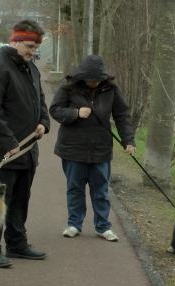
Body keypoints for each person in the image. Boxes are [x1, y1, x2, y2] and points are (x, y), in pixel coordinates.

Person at [0, 19, 50, 268]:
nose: (32, 52)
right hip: (3, 152)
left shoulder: (31, 68)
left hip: (28, 151)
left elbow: (40, 99)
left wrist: (44, 122)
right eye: (29, 46)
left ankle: (17, 243)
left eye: (35, 48)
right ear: (15, 40)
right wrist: (8, 142)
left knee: (21, 200)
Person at [49, 55, 136, 242]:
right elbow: (55, 110)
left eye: (97, 80)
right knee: (75, 188)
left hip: (101, 148)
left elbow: (122, 115)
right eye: (90, 80)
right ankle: (74, 224)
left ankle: (103, 226)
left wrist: (128, 140)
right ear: (82, 76)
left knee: (101, 190)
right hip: (73, 148)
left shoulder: (111, 90)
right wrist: (75, 113)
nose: (94, 83)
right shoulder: (68, 88)